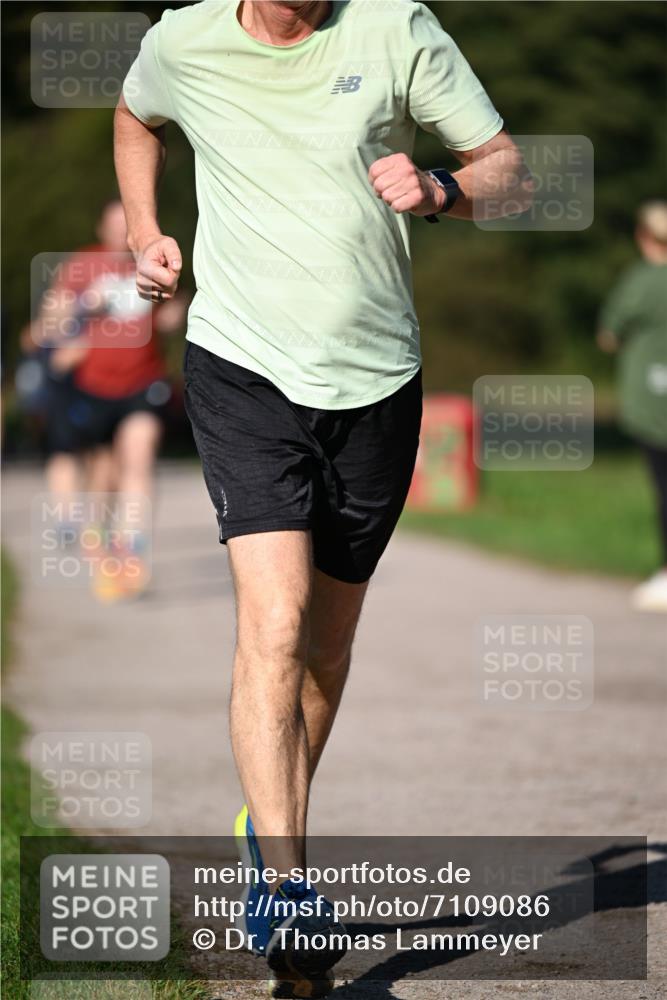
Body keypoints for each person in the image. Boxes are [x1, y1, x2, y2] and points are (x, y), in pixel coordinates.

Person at [115, 1, 529, 994]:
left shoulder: (396, 29)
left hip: (376, 381)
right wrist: (145, 228)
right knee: (276, 619)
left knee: (325, 645)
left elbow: (506, 170)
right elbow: (136, 119)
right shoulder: (186, 38)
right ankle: (289, 889)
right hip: (240, 366)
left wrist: (437, 186)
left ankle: (270, 829)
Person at [33, 201, 187, 600]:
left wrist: (175, 312)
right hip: (94, 388)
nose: (123, 232)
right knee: (104, 474)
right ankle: (100, 539)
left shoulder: (154, 262)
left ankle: (132, 547)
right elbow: (49, 323)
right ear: (102, 229)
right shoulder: (84, 265)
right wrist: (83, 311)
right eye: (116, 224)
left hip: (142, 383)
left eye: (129, 224)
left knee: (140, 454)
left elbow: (175, 310)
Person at [598, 201, 667, 613]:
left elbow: (609, 334)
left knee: (664, 488)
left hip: (653, 403)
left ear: (644, 238)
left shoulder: (641, 281)